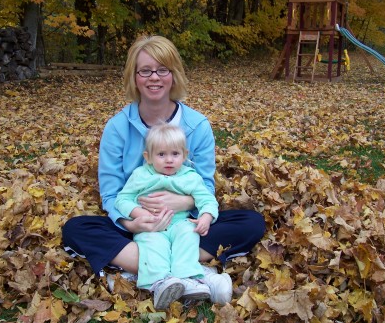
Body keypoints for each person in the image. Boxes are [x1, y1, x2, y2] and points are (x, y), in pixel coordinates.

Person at [62, 35, 266, 307]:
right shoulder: (117, 128)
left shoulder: (197, 126)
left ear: (174, 74)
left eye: (162, 70)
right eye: (145, 70)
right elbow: (111, 195)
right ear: (134, 77)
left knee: (251, 223)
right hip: (139, 225)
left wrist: (185, 201)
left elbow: (205, 186)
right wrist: (132, 222)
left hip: (185, 226)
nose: (154, 78)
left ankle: (143, 271)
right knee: (76, 229)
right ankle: (193, 274)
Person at [115, 123, 219, 309]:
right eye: (161, 154)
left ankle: (186, 278)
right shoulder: (140, 175)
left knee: (189, 234)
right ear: (148, 157)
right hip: (152, 225)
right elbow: (122, 199)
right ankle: (160, 282)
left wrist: (206, 217)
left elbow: (207, 199)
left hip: (180, 222)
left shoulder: (190, 177)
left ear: (185, 155)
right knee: (153, 244)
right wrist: (138, 213)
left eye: (175, 154)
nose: (169, 160)